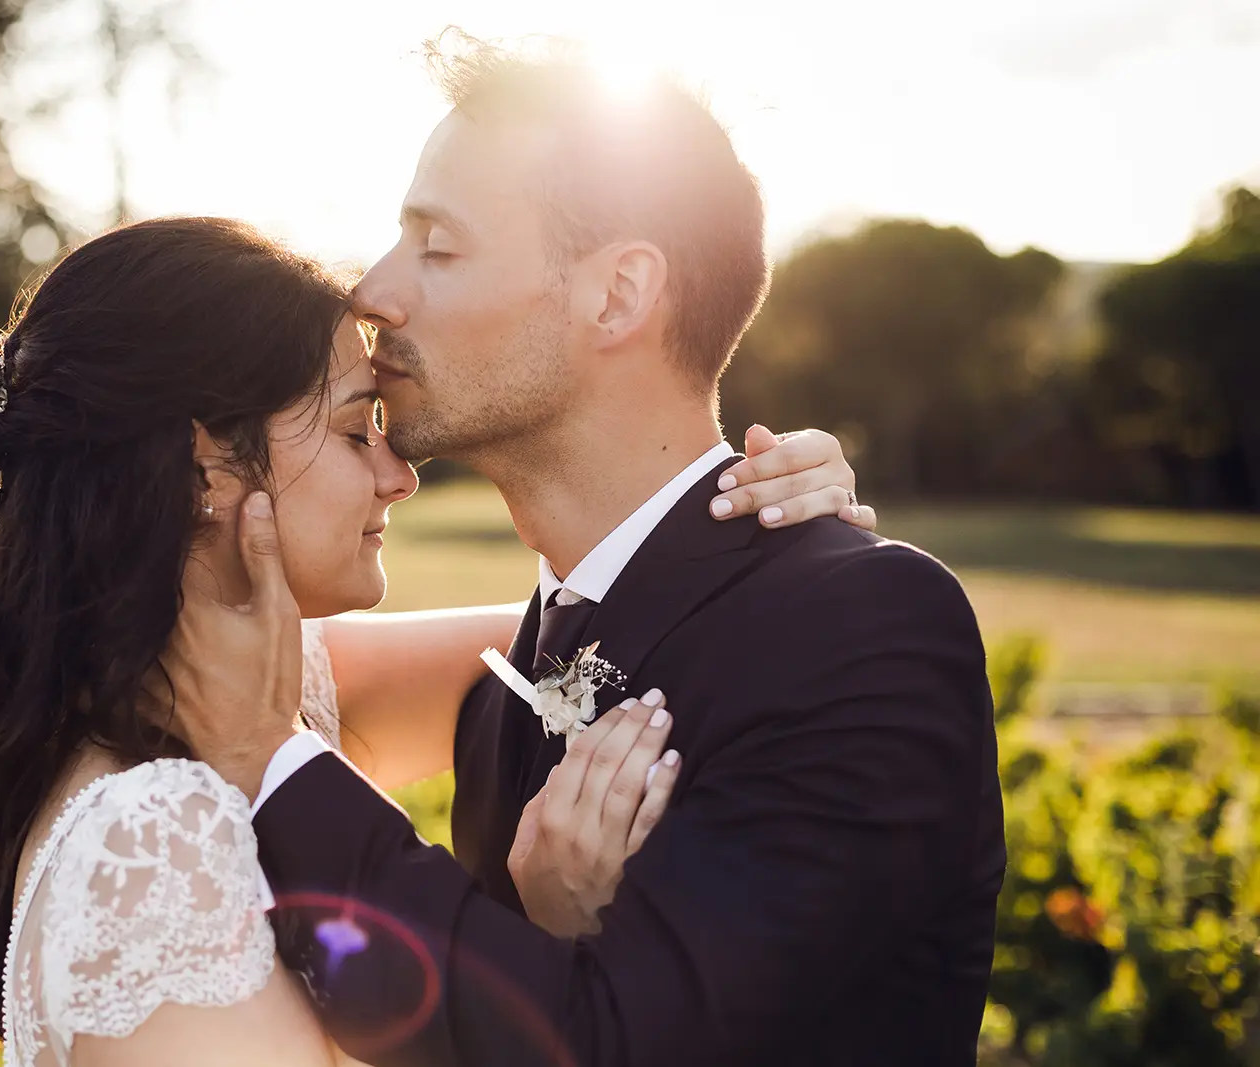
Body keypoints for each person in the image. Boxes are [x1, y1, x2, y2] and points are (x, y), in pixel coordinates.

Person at [169, 33, 1006, 1067]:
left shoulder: (861, 629)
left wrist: (274, 763)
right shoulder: (529, 666)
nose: (373, 292)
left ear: (616, 294)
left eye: (437, 245)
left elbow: (611, 1038)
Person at [0, 216, 869, 1065]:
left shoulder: (260, 689)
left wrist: (756, 539)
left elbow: (611, 642)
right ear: (204, 468)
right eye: (352, 430)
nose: (396, 475)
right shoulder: (154, 849)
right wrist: (555, 937)